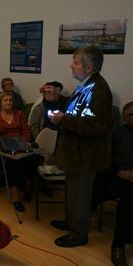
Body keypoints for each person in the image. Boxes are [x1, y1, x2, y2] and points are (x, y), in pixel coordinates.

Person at [49, 46, 113, 247]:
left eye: (75, 62)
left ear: (88, 67)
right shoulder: (88, 84)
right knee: (74, 194)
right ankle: (72, 222)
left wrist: (63, 120)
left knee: (80, 196)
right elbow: (78, 108)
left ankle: (78, 234)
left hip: (84, 157)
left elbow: (95, 125)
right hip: (76, 155)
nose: (71, 65)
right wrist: (58, 99)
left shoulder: (99, 89)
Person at [0, 91, 35, 212]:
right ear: (0, 103)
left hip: (20, 142)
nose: (8, 103)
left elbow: (26, 131)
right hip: (5, 145)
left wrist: (24, 142)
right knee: (14, 163)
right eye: (5, 100)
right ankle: (15, 197)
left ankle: (28, 187)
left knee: (32, 158)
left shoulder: (19, 113)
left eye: (10, 100)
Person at [110, 102, 133, 266]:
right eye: (132, 114)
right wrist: (120, 172)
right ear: (125, 117)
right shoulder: (117, 133)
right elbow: (107, 159)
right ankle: (118, 246)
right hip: (120, 176)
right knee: (128, 201)